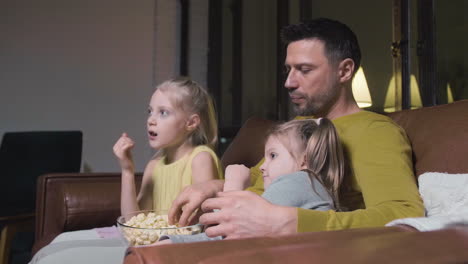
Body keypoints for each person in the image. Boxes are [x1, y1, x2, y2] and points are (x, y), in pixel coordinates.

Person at [169, 18, 424, 238]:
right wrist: (212, 186)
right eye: (288, 70)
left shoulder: (374, 131)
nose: (289, 82)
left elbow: (403, 213)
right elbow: (258, 178)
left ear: (345, 71)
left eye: (304, 70)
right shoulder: (300, 127)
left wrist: (290, 223)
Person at [160, 118, 343, 243]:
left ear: (305, 160)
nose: (262, 166)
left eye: (273, 155)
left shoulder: (299, 181)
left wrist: (234, 185)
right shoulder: (311, 187)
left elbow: (226, 234)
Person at [113, 77, 223, 217]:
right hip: (162, 239)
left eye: (163, 112)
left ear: (190, 123)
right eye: (150, 111)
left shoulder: (201, 159)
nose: (151, 120)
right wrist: (127, 170)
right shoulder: (153, 166)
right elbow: (132, 221)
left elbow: (205, 220)